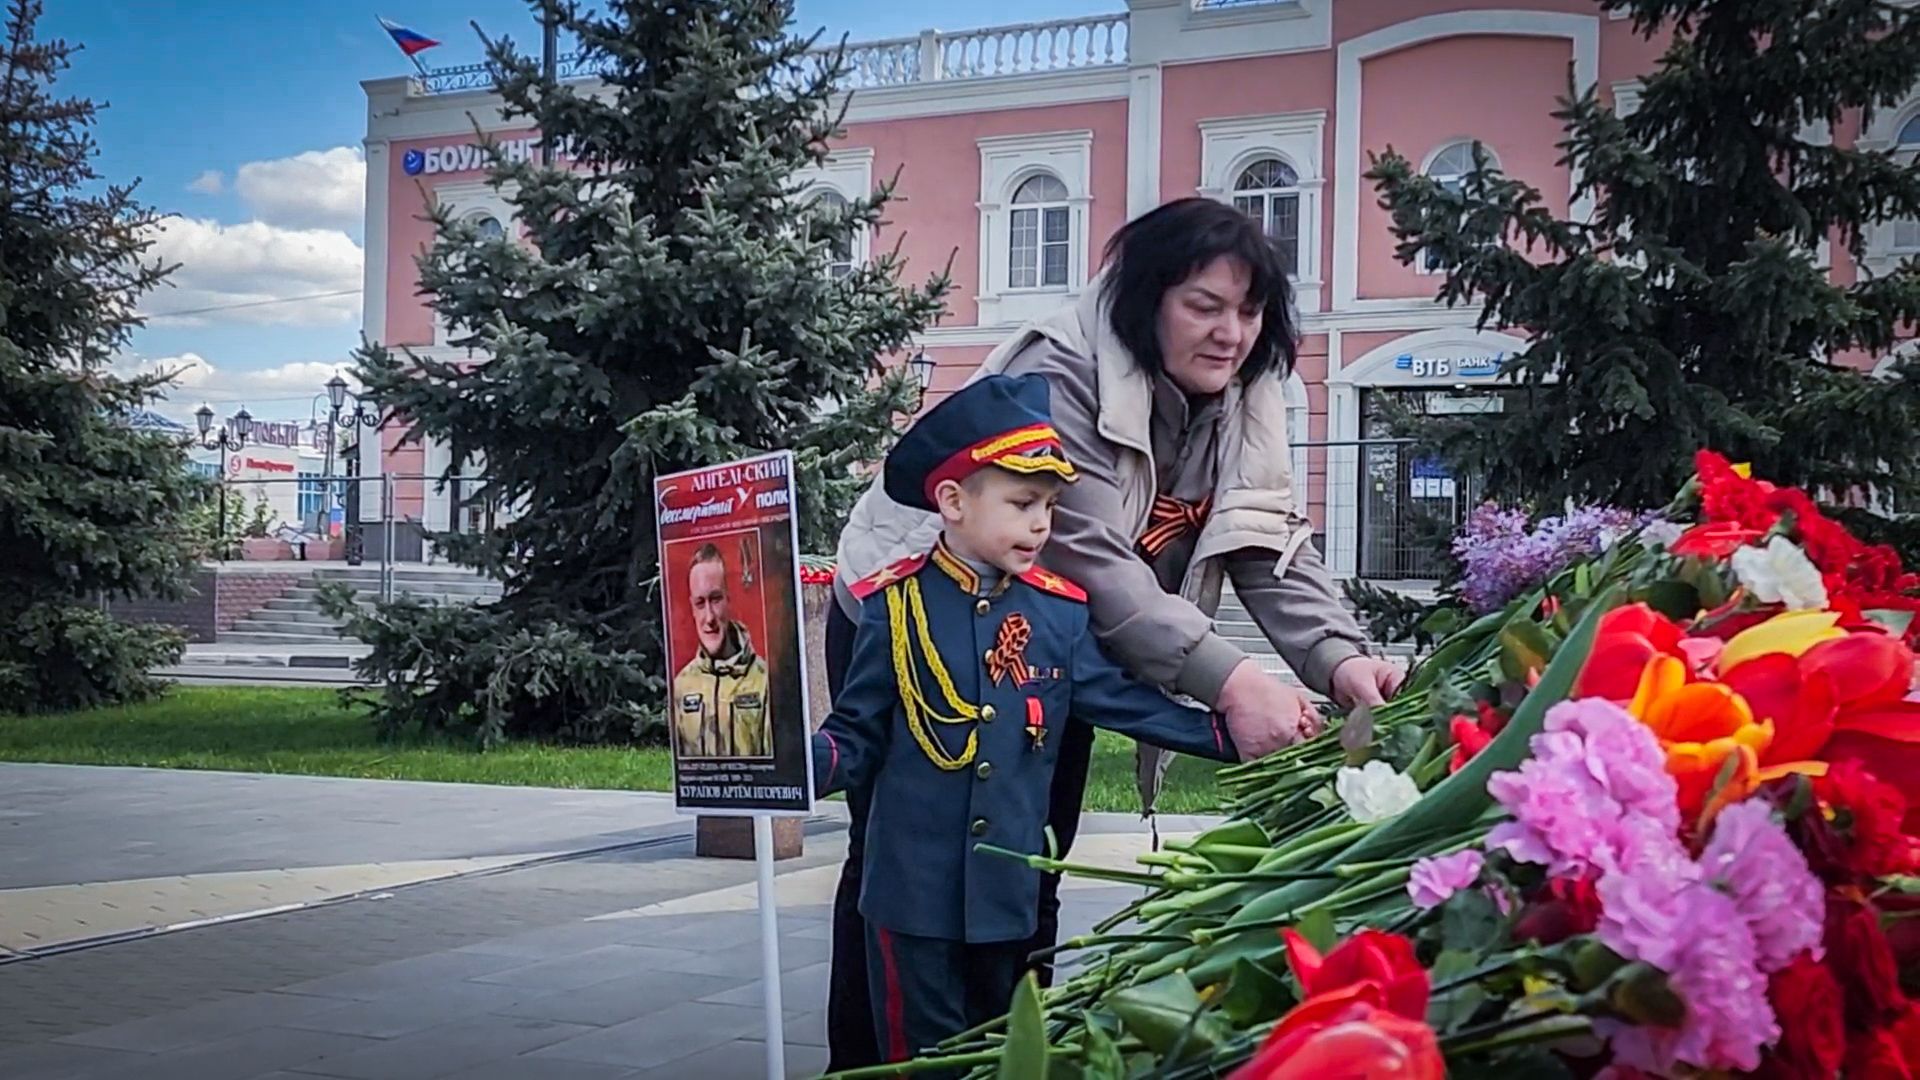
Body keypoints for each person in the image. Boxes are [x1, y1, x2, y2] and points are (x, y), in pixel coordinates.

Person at [821, 197, 1407, 1070]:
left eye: (1248, 311)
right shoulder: (1061, 371)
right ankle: (872, 1057)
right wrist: (1232, 681)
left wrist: (1341, 659)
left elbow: (1264, 537)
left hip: (1049, 628)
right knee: (899, 855)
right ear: (1145, 299)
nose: (1231, 333)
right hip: (915, 612)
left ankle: (1006, 1048)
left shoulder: (1247, 393)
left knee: (1030, 845)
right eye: (1203, 306)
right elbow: (1087, 554)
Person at [811, 371, 1244, 1067]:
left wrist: (1235, 736)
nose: (1042, 523)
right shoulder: (894, 608)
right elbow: (856, 735)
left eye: (1048, 504)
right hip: (908, 900)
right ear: (952, 501)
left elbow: (1130, 705)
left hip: (1007, 897)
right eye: (1022, 503)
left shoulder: (1059, 613)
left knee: (1001, 1055)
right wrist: (787, 768)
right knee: (919, 1063)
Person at [669, 543, 771, 758]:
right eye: (700, 603)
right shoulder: (682, 686)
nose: (709, 618)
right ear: (692, 608)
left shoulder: (764, 682)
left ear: (729, 599)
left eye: (715, 600)